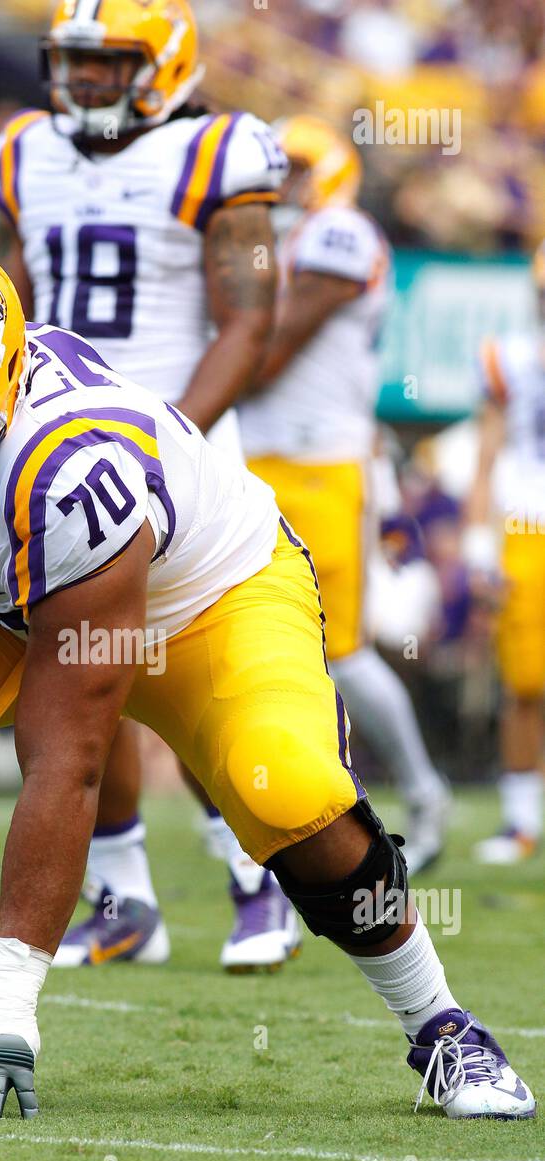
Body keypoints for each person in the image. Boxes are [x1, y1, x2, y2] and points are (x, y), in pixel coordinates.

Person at [0, 240, 533, 1122]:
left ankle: (446, 1030)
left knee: (288, 787)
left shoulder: (69, 465)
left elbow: (68, 764)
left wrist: (4, 1011)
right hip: (15, 595)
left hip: (207, 601)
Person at [0, 0, 299, 971]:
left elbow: (246, 322)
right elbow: (3, 309)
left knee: (194, 674)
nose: (79, 81)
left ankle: (256, 878)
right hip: (55, 453)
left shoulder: (217, 153)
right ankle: (122, 896)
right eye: (70, 62)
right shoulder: (19, 154)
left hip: (181, 439)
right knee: (75, 674)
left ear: (160, 66)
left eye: (104, 63)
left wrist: (169, 444)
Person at [239, 114, 450, 877]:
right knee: (253, 642)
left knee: (342, 650)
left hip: (323, 465)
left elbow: (264, 352)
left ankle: (423, 793)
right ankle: (283, 807)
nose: (281, 184)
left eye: (294, 169)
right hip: (255, 462)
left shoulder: (340, 234)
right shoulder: (279, 240)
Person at [467, 241, 545, 864]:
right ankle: (522, 820)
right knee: (524, 682)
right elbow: (487, 457)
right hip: (527, 527)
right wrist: (477, 547)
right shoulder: (512, 359)